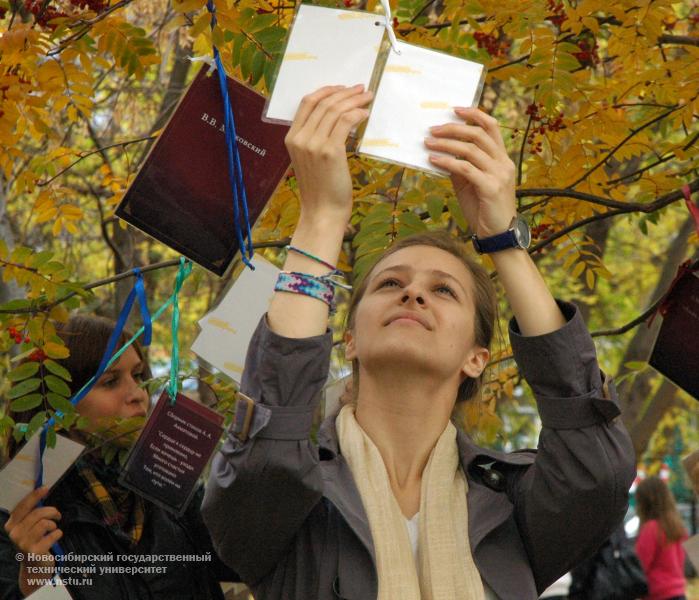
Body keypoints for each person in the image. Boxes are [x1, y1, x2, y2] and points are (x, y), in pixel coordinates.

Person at [201, 84, 636, 599]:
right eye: (390, 284)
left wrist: (503, 239)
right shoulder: (297, 498)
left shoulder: (513, 506)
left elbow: (596, 464)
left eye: (443, 291)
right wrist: (322, 218)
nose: (412, 293)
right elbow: (267, 448)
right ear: (350, 340)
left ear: (477, 357)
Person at [0, 315, 237, 599]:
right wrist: (36, 587)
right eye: (111, 381)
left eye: (137, 375)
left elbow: (241, 563)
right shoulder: (19, 511)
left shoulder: (164, 476)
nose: (138, 394)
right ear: (60, 409)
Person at [635, 476, 688, 600]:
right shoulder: (676, 527)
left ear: (644, 503)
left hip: (658, 594)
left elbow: (640, 565)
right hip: (678, 592)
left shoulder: (651, 529)